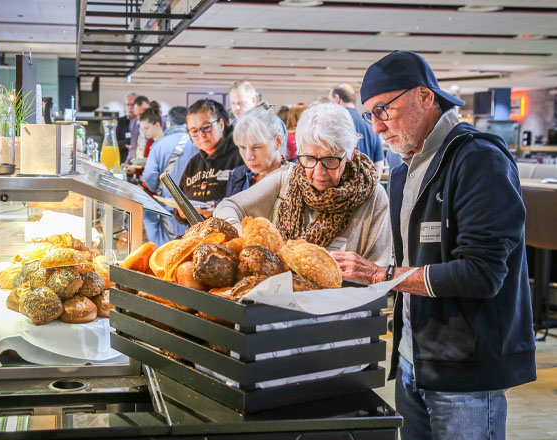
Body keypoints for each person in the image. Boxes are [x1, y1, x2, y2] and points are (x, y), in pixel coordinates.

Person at [331, 50, 536, 440]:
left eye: (384, 110)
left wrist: (381, 275)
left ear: (426, 97)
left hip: (467, 372)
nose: (376, 127)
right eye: (369, 115)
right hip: (412, 361)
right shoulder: (403, 169)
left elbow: (482, 273)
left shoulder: (478, 159)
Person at [214, 102, 391, 265]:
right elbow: (227, 206)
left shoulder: (373, 197)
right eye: (309, 158)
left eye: (330, 160)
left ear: (350, 153)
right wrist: (239, 230)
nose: (319, 172)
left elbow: (377, 273)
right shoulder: (287, 178)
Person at [178, 99, 243, 220]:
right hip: (198, 234)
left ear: (221, 124)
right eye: (194, 131)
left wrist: (218, 207)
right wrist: (181, 212)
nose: (201, 135)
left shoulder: (242, 155)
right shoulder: (194, 162)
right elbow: (180, 200)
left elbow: (250, 200)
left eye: (206, 127)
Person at [142, 106, 199, 245]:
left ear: (169, 123)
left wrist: (159, 188)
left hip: (168, 208)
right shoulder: (198, 142)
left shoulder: (159, 145)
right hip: (196, 208)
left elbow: (149, 175)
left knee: (171, 249)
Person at [225, 105, 288, 198]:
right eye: (242, 147)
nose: (248, 157)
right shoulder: (237, 176)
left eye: (256, 147)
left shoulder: (296, 176)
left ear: (277, 141)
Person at [330, 83, 384, 178]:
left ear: (337, 99)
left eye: (331, 101)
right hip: (365, 185)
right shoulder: (370, 124)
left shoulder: (332, 123)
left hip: (342, 186)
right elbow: (379, 163)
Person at [126, 95, 150, 164]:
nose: (140, 117)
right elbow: (133, 145)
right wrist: (127, 162)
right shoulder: (133, 123)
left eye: (142, 114)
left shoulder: (156, 124)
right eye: (138, 114)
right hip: (137, 164)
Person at [116, 92, 137, 161]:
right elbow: (115, 142)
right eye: (128, 105)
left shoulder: (143, 122)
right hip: (123, 159)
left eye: (132, 105)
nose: (130, 107)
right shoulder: (120, 122)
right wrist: (126, 144)